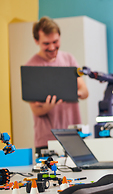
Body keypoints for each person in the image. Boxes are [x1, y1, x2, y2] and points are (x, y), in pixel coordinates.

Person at [25, 16, 89, 155]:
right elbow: (36, 110)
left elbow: (84, 92)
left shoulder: (69, 59)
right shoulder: (31, 66)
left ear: (60, 37)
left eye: (55, 41)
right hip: (46, 140)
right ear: (37, 41)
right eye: (46, 43)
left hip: (74, 136)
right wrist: (48, 106)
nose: (52, 47)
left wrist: (68, 92)